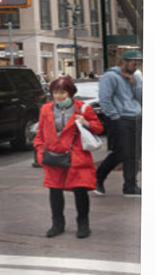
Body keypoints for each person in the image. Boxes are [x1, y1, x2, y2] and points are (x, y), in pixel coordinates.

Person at [34, 76, 104, 239]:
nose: (59, 96)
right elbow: (40, 134)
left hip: (77, 156)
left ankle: (83, 224)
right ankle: (57, 224)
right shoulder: (46, 109)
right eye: (55, 92)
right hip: (53, 155)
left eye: (63, 92)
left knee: (80, 191)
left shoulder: (83, 108)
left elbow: (99, 128)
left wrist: (86, 123)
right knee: (55, 191)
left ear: (70, 93)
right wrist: (40, 152)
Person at [94, 49, 143, 197]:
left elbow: (141, 96)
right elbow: (105, 100)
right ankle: (98, 178)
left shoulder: (135, 77)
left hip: (135, 118)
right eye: (134, 64)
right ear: (124, 62)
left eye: (138, 64)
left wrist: (135, 84)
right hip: (120, 119)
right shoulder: (110, 77)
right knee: (121, 153)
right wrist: (116, 118)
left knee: (134, 154)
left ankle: (130, 186)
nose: (136, 67)